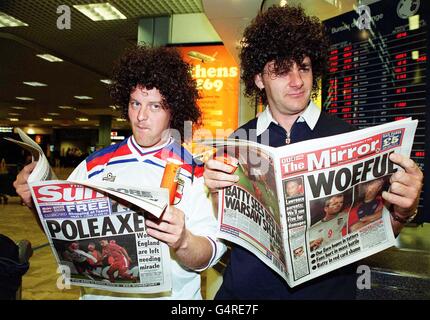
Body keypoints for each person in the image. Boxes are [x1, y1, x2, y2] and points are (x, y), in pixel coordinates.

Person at [203, 5, 423, 299]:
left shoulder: (348, 137)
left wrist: (404, 211)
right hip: (246, 293)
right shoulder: (240, 140)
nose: (297, 81)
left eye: (303, 68)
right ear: (259, 79)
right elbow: (229, 228)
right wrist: (218, 192)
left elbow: (380, 233)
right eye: (281, 71)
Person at [13, 45, 226, 300]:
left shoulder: (197, 174)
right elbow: (61, 233)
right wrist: (35, 203)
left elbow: (209, 255)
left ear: (174, 111)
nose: (141, 116)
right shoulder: (94, 165)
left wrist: (183, 241)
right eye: (135, 103)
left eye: (155, 106)